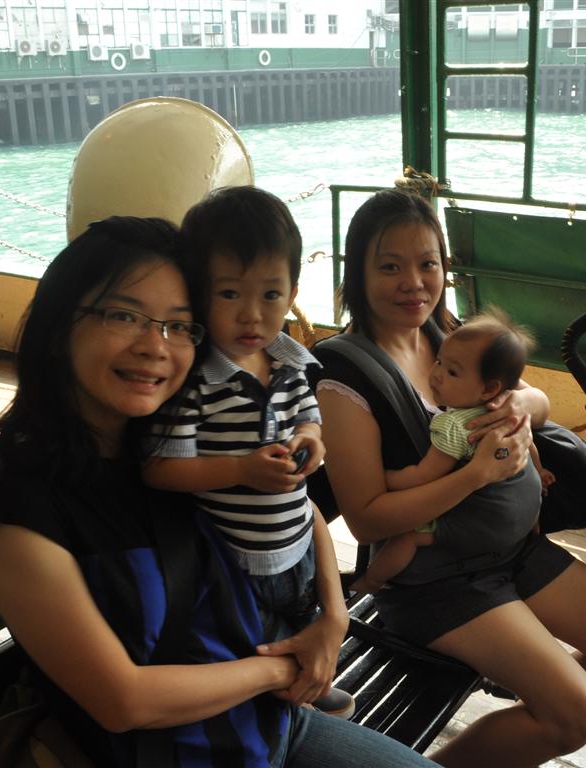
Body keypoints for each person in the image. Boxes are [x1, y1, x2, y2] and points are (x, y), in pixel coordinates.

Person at [0, 216, 433, 767]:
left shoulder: (167, 446)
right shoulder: (25, 517)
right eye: (123, 315)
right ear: (58, 325)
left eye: (179, 326)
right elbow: (123, 701)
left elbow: (301, 508)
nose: (155, 346)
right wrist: (286, 668)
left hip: (271, 726)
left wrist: (333, 618)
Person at [315, 189, 586, 768]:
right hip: (433, 579)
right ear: (358, 272)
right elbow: (368, 519)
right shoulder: (343, 375)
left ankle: (523, 721)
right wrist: (477, 475)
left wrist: (518, 410)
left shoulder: (445, 334)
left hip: (507, 550)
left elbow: (536, 400)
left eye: (428, 263)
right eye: (390, 266)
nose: (414, 283)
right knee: (576, 713)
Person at [142, 186, 353, 718]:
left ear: (293, 292)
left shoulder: (290, 363)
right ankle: (277, 703)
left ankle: (306, 682)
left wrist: (312, 441)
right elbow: (161, 470)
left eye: (271, 295)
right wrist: (240, 469)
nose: (252, 317)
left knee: (300, 621)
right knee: (255, 641)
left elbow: (310, 419)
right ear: (199, 293)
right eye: (230, 294)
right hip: (235, 562)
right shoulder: (195, 382)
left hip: (299, 545)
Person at [352, 308, 555, 594]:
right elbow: (527, 443)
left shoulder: (455, 426)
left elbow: (424, 475)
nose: (436, 375)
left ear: (489, 389)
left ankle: (370, 582)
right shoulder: (507, 413)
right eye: (438, 362)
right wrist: (540, 469)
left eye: (452, 372)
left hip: (491, 524)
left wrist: (385, 479)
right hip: (529, 512)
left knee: (408, 538)